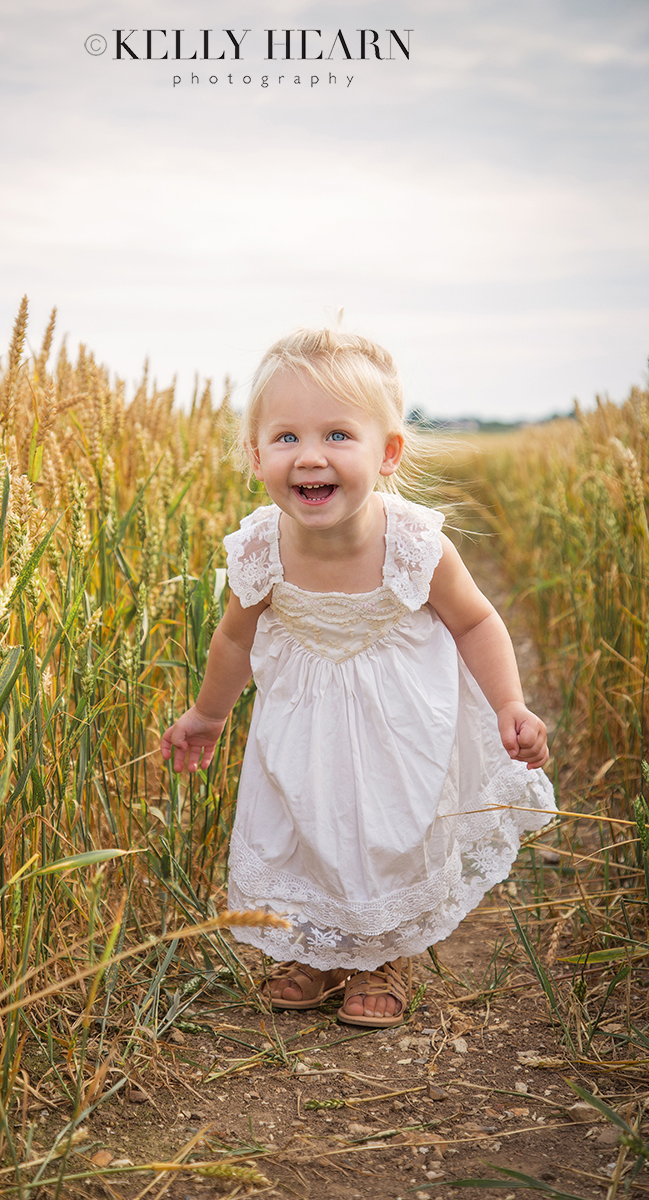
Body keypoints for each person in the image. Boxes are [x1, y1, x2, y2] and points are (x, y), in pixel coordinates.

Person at [161, 328, 557, 1028]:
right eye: (285, 437)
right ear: (256, 456)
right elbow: (234, 636)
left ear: (389, 453)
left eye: (338, 434)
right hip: (301, 721)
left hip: (397, 724)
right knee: (302, 818)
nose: (310, 455)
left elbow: (473, 622)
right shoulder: (260, 547)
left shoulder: (413, 545)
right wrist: (208, 715)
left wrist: (509, 703)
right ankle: (309, 949)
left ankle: (381, 953)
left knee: (388, 826)